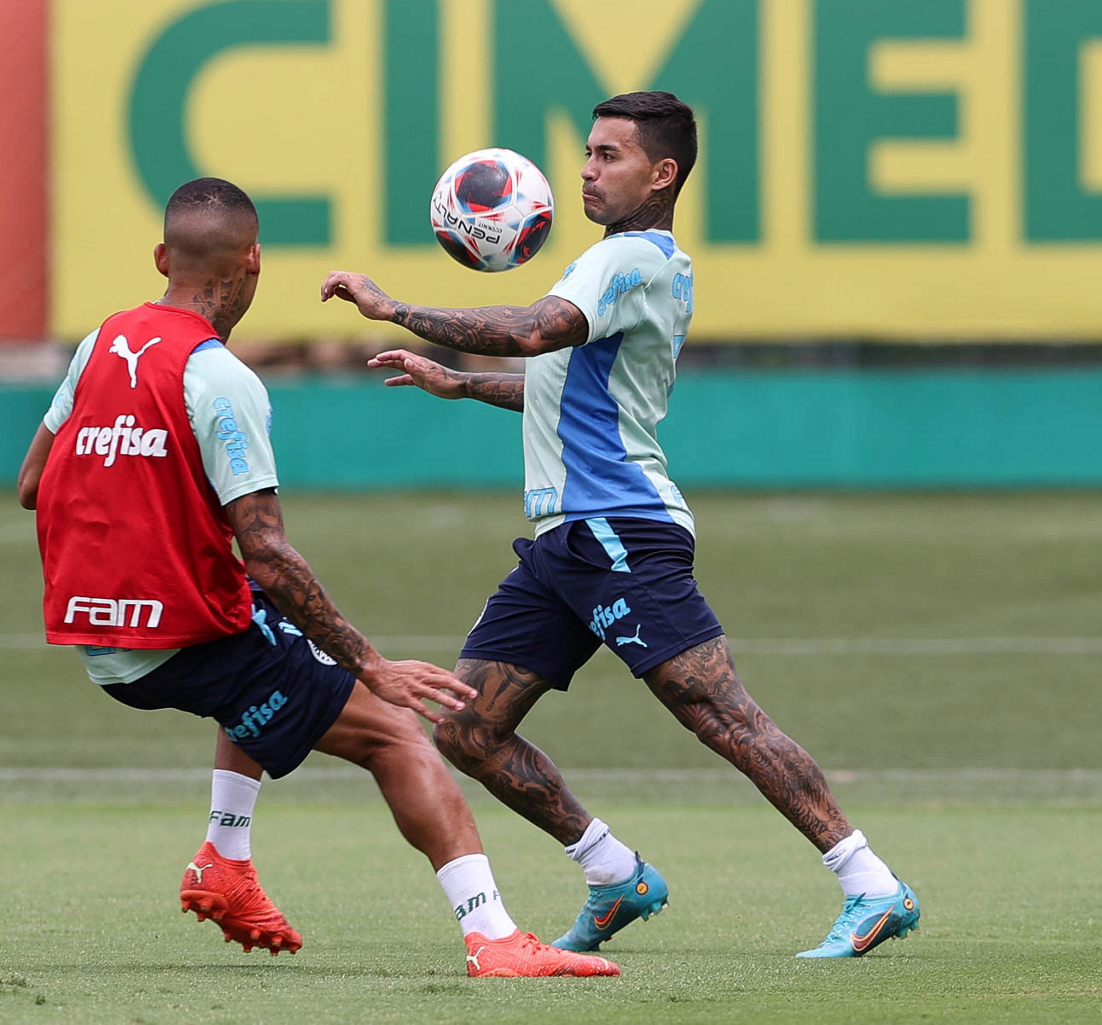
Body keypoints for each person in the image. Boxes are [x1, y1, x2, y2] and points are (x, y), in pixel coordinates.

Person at [320, 92, 920, 958]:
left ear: (662, 174)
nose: (587, 171)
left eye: (609, 156)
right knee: (468, 729)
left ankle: (871, 884)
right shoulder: (629, 264)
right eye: (589, 153)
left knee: (719, 713)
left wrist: (395, 308)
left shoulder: (628, 258)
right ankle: (613, 873)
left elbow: (533, 332)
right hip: (565, 543)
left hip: (619, 531)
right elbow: (567, 389)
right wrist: (461, 384)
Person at [17, 177, 619, 979]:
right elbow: (269, 552)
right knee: (394, 732)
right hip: (177, 638)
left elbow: (33, 484)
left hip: (97, 633)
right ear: (254, 262)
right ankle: (495, 938)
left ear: (162, 258)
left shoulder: (100, 343)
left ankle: (226, 859)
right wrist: (373, 665)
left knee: (263, 627)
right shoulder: (219, 378)